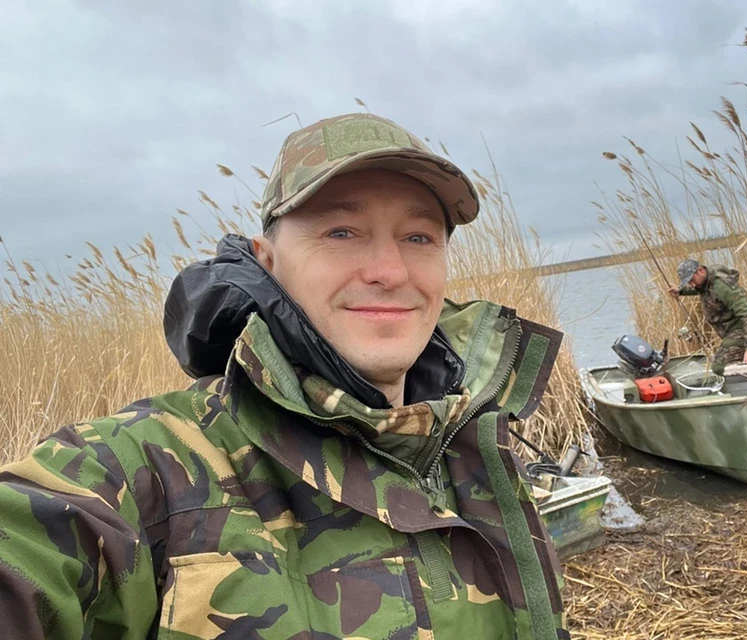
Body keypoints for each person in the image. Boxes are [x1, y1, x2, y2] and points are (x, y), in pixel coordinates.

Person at [0, 113, 569, 639]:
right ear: (266, 261)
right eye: (341, 232)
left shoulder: (474, 442)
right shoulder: (147, 469)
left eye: (418, 237)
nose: (390, 271)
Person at [668, 258, 747, 375]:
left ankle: (746, 380)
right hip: (731, 332)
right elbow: (703, 289)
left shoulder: (722, 286)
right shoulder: (706, 281)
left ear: (700, 270)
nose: (692, 284)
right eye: (689, 282)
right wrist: (681, 291)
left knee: (718, 367)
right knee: (730, 362)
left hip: (743, 331)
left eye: (692, 280)